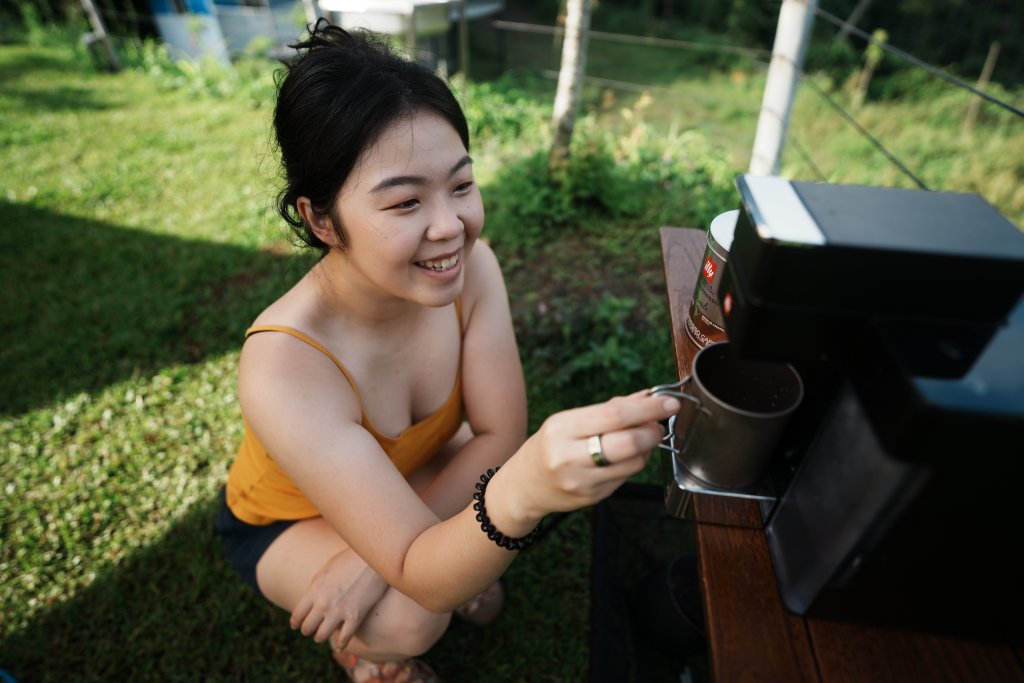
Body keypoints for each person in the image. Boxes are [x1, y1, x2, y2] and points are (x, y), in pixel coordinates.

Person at [214, 19, 682, 683]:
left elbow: (500, 429)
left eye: (460, 185)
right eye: (405, 201)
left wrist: (371, 556)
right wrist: (519, 491)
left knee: (461, 582)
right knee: (413, 618)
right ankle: (359, 649)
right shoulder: (284, 364)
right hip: (283, 518)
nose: (450, 226)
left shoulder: (472, 269)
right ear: (321, 219)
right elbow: (432, 569)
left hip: (411, 472)